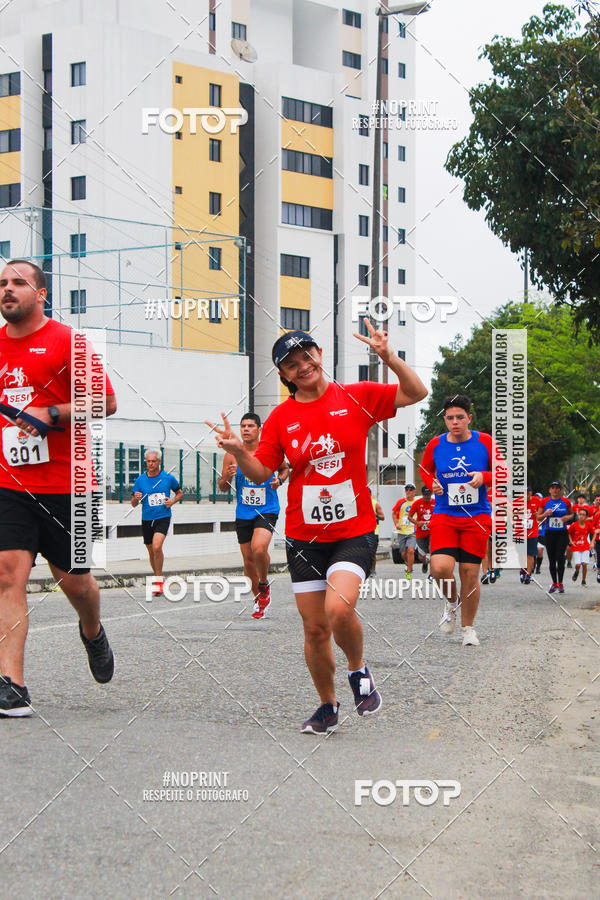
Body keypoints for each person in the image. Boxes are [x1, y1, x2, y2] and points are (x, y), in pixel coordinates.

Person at [208, 324, 427, 733]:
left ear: (319, 354)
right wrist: (240, 451)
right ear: (285, 376)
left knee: (338, 608)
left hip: (353, 530)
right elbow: (261, 472)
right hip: (305, 536)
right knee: (314, 627)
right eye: (292, 364)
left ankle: (358, 670)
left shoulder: (356, 396)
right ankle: (327, 706)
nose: (303, 366)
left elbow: (416, 393)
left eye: (306, 356)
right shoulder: (281, 418)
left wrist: (389, 358)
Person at [0, 260, 117, 716]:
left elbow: (106, 401)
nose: (8, 290)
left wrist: (52, 415)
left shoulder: (68, 341)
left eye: (18, 283)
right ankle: (12, 684)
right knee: (8, 572)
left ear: (41, 293)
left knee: (75, 581)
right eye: (3, 284)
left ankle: (92, 631)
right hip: (9, 482)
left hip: (69, 484)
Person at [419, 394, 502, 647]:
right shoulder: (436, 444)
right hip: (445, 513)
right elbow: (425, 469)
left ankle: (468, 629)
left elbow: (504, 472)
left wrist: (483, 476)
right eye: (450, 418)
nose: (455, 422)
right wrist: (430, 483)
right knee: (440, 568)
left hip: (476, 515)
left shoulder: (485, 442)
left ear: (469, 419)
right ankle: (452, 602)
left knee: (469, 573)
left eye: (460, 417)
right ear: (445, 419)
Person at [218, 413, 288, 619]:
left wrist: (279, 481)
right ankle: (259, 601)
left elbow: (285, 470)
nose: (246, 429)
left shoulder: (269, 451)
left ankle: (264, 582)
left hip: (267, 509)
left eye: (250, 426)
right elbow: (221, 487)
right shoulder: (231, 454)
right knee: (248, 561)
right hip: (243, 512)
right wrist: (227, 477)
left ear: (259, 429)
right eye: (242, 426)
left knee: (259, 548)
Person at [131, 450, 183, 597]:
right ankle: (158, 576)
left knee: (157, 546)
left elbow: (179, 493)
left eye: (153, 461)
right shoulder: (140, 480)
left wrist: (172, 501)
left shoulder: (167, 478)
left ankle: (158, 582)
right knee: (151, 550)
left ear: (159, 462)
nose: (151, 464)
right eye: (148, 461)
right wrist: (136, 497)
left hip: (163, 517)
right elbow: (133, 504)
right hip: (147, 518)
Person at [538, 481, 574, 594]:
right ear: (549, 490)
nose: (555, 490)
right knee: (552, 559)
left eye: (557, 488)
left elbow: (572, 514)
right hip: (549, 533)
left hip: (562, 533)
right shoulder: (544, 501)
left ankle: (561, 583)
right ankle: (554, 583)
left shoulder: (566, 502)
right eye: (553, 488)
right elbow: (538, 517)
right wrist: (545, 514)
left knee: (560, 557)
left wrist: (567, 518)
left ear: (560, 490)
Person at [391, 484, 417, 579]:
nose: (408, 492)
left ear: (414, 492)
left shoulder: (417, 502)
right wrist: (396, 523)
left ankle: (409, 570)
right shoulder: (401, 502)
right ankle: (408, 563)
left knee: (410, 550)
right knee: (403, 553)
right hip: (402, 531)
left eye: (411, 490)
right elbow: (393, 513)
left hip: (413, 531)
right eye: (407, 490)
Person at [408, 486, 434, 573]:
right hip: (420, 533)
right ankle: (425, 562)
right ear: (422, 494)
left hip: (432, 532)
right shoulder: (417, 503)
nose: (427, 497)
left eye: (429, 495)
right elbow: (409, 517)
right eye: (425, 495)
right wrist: (417, 523)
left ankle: (431, 574)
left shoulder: (436, 502)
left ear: (431, 494)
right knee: (421, 557)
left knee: (432, 553)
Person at [568, 507, 594, 586]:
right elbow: (569, 533)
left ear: (586, 517)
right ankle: (576, 572)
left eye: (583, 515)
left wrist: (592, 542)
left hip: (585, 546)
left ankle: (583, 580)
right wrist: (571, 541)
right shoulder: (574, 525)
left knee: (584, 564)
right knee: (578, 564)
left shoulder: (588, 525)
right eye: (580, 514)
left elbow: (593, 533)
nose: (581, 516)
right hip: (576, 546)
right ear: (578, 515)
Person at [522, 487, 542, 584]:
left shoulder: (537, 500)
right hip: (520, 531)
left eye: (528, 493)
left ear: (531, 493)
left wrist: (537, 514)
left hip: (532, 531)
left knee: (530, 554)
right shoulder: (517, 501)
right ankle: (523, 570)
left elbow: (541, 512)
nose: (526, 495)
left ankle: (528, 574)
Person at [368, 488, 385, 577]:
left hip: (374, 531)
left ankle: (373, 570)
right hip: (362, 532)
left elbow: (382, 517)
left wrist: (374, 515)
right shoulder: (359, 503)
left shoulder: (375, 503)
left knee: (372, 552)